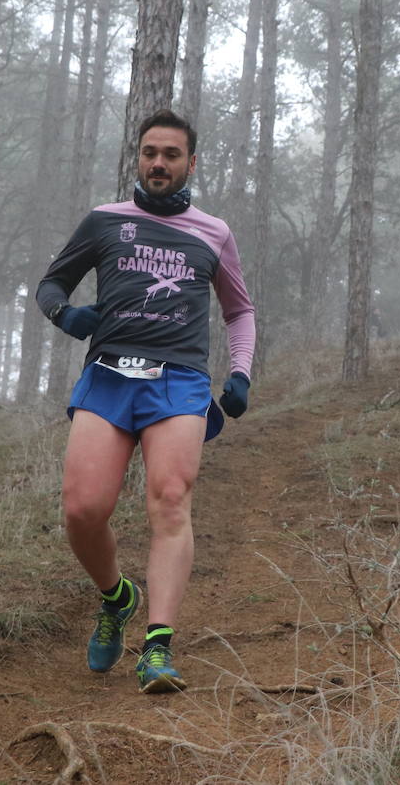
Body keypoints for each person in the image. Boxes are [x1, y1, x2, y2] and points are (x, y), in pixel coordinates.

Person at [35, 109, 255, 694]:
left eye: (172, 155)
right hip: (108, 376)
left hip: (178, 381)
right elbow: (51, 283)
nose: (159, 163)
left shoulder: (214, 232)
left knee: (171, 500)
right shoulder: (105, 221)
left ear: (190, 162)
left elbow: (239, 310)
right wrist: (66, 314)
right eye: (150, 152)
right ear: (138, 156)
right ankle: (117, 596)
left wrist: (239, 373)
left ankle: (158, 647)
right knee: (83, 510)